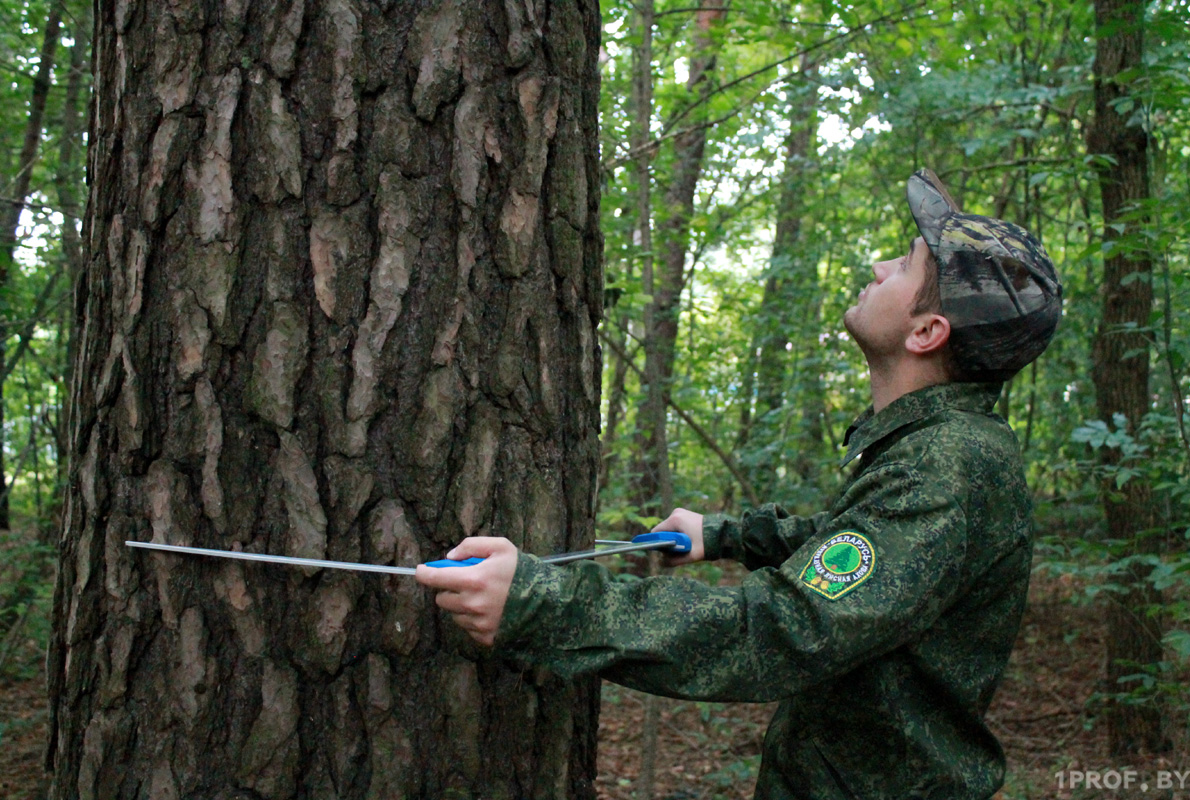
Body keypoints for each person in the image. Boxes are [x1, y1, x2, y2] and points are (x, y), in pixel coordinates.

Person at [415, 169, 1063, 800]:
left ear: (927, 332)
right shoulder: (940, 448)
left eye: (906, 265)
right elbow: (856, 552)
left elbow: (787, 629)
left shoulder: (946, 465)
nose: (879, 266)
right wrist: (722, 535)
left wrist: (542, 603)